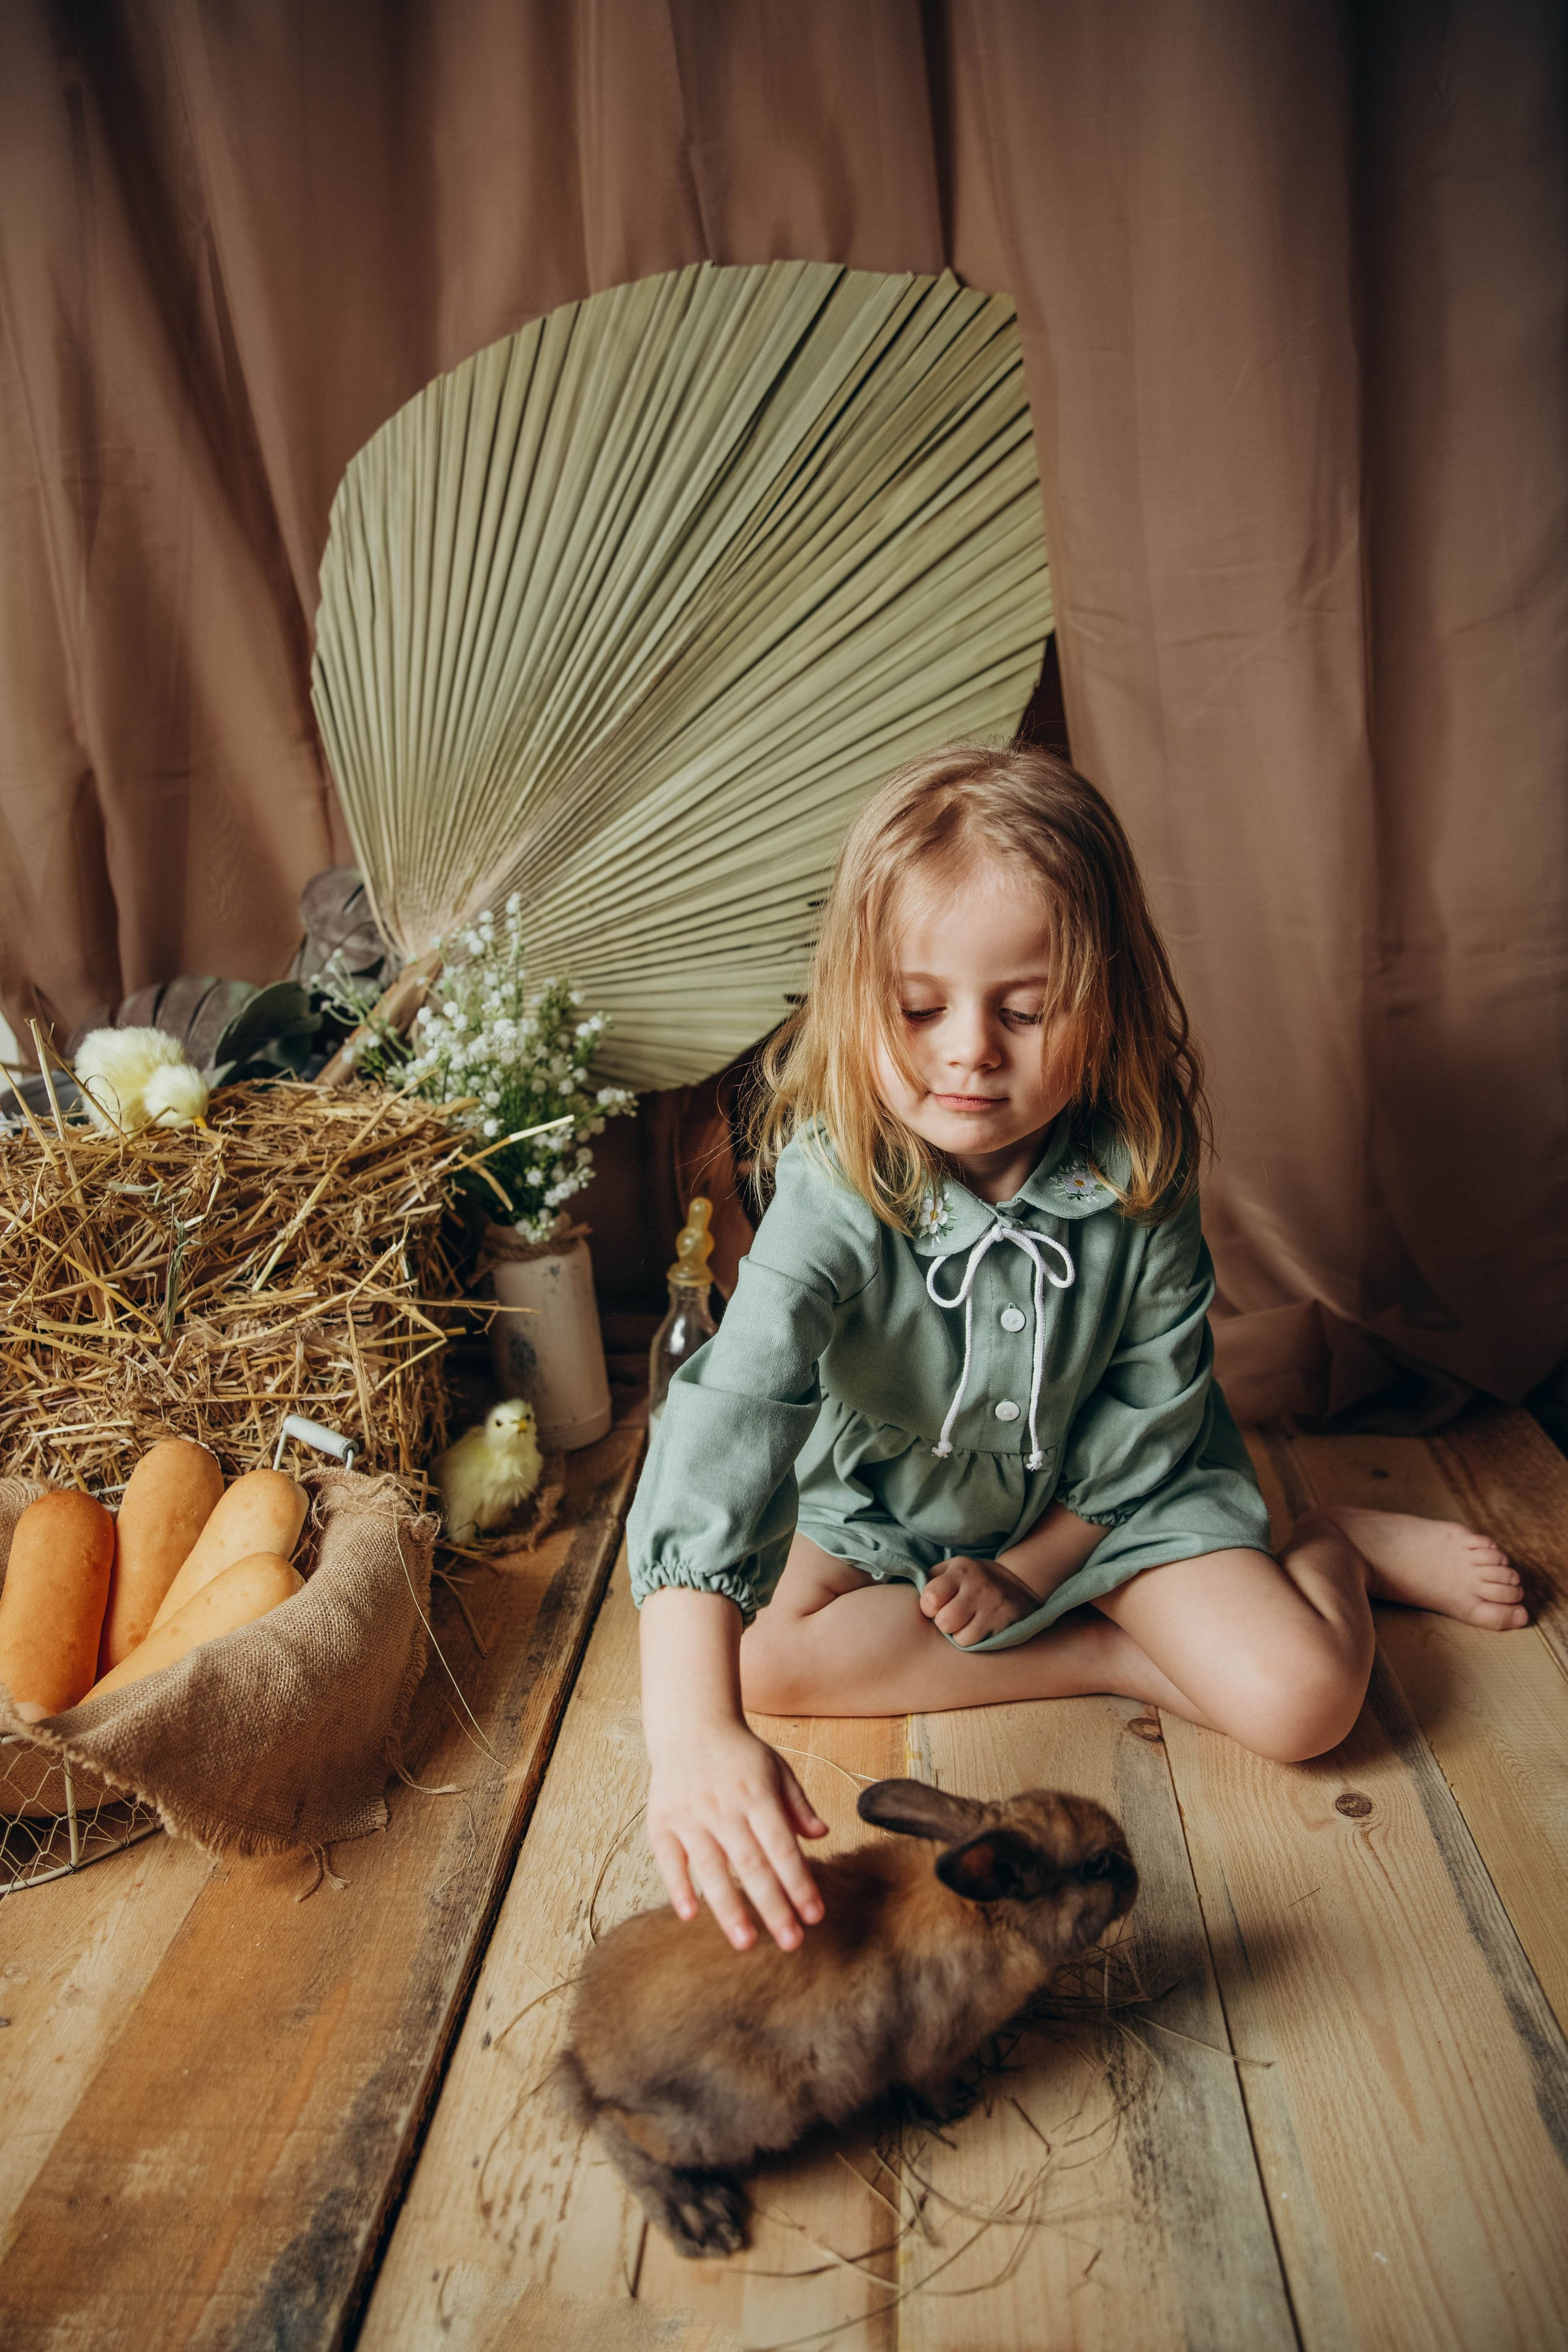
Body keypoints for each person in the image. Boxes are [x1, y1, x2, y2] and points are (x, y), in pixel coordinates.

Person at [628, 745, 1526, 1956]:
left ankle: (1333, 1548)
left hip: (1106, 1503)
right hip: (890, 1503)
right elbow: (732, 1410)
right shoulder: (834, 1183)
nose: (968, 1050)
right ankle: (1119, 1658)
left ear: (1102, 1003)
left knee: (1306, 1707)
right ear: (853, 998)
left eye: (1024, 1009)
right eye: (918, 1007)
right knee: (748, 1662)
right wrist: (690, 1734)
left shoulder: (1137, 1160)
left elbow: (1150, 1405)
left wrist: (1034, 1567)